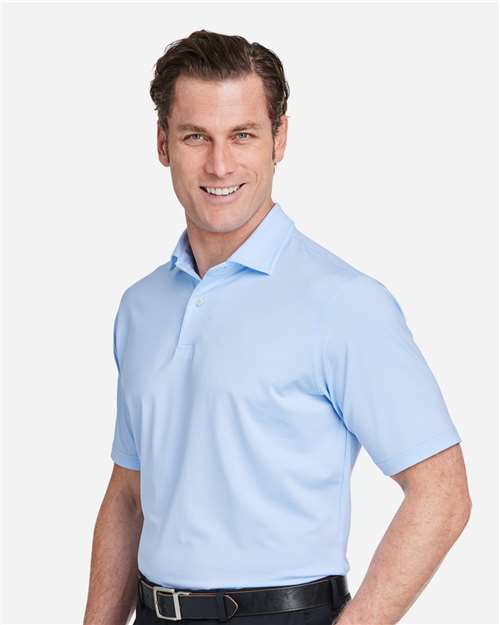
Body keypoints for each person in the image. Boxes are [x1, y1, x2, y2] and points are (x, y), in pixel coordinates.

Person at [83, 30, 472, 625]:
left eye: (242, 134)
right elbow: (129, 495)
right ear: (162, 143)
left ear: (279, 139)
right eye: (195, 136)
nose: (219, 164)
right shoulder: (141, 307)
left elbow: (442, 494)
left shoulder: (343, 303)